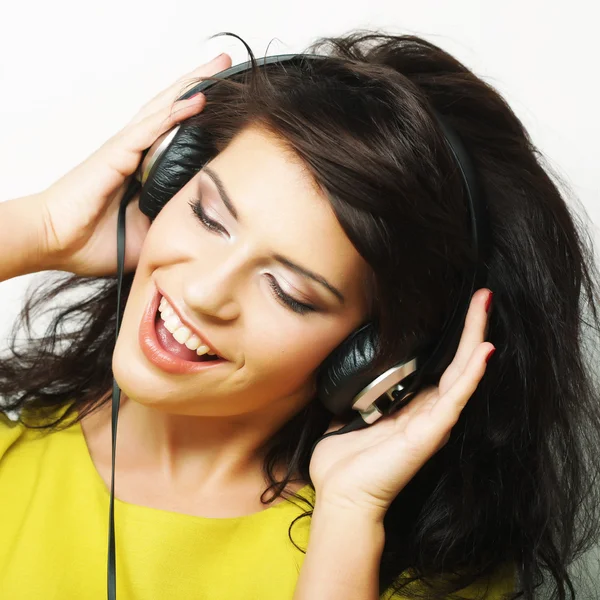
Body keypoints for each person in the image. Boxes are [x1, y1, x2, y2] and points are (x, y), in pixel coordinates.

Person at [0, 30, 599, 600]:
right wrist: (41, 229)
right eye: (209, 218)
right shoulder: (14, 450)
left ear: (374, 361)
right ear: (166, 184)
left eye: (287, 291)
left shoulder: (408, 572)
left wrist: (348, 519)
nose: (207, 291)